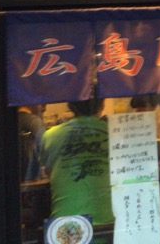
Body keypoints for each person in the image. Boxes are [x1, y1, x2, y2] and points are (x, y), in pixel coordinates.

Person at [40, 98, 114, 232]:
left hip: (65, 227)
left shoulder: (50, 135)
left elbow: (48, 171)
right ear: (102, 105)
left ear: (70, 106)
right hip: (110, 226)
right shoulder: (114, 132)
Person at [17, 105, 46, 182]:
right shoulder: (34, 121)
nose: (44, 108)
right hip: (31, 177)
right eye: (42, 104)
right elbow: (43, 143)